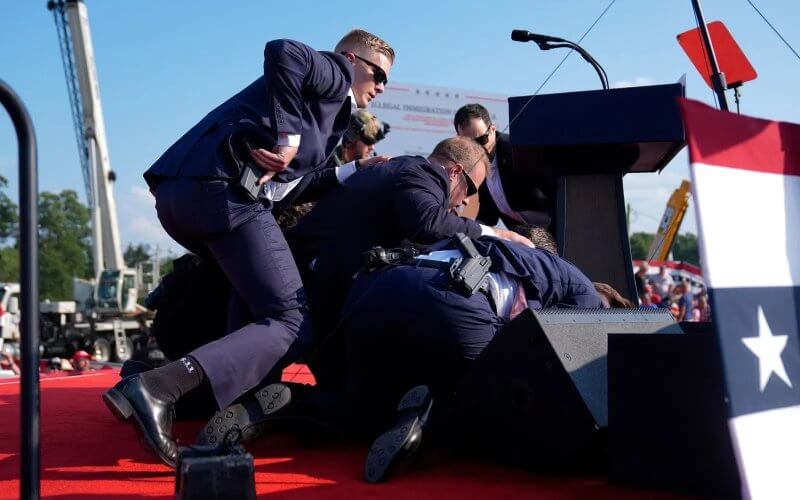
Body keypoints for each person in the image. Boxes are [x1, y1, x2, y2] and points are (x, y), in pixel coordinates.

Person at [103, 29, 395, 468]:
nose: (382, 87)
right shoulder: (334, 73)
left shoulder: (332, 113)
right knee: (291, 320)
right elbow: (283, 52)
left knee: (254, 304)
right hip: (220, 192)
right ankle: (158, 389)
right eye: (378, 74)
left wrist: (353, 170)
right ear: (352, 60)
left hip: (186, 193)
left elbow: (288, 185)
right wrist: (288, 136)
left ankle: (191, 395)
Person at [286, 137, 535, 362]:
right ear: (455, 171)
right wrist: (498, 233)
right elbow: (428, 223)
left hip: (314, 278)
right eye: (470, 188)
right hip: (310, 279)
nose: (467, 200)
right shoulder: (424, 173)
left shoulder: (404, 169)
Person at [273, 110, 391, 230]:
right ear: (352, 135)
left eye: (375, 141)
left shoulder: (366, 172)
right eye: (369, 140)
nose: (372, 147)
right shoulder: (324, 164)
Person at [454, 103, 557, 231]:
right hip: (521, 234)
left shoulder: (518, 150)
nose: (476, 149)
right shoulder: (476, 165)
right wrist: (468, 231)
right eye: (468, 144)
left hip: (553, 229)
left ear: (492, 129)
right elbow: (489, 214)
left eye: (481, 140)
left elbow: (556, 192)